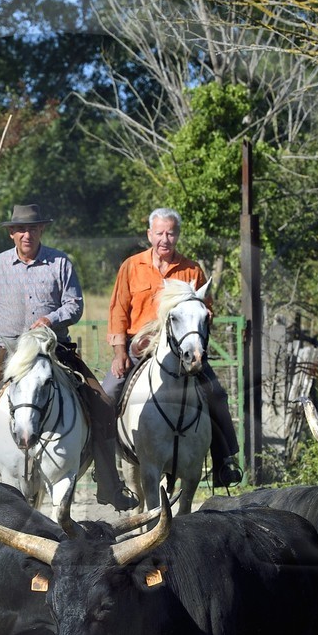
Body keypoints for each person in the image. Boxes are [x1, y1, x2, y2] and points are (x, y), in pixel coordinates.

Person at [0, 203, 138, 510]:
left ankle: (109, 486)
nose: (28, 234)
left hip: (55, 349)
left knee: (103, 405)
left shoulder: (59, 263)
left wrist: (51, 320)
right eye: (22, 229)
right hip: (10, 353)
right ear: (12, 233)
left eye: (34, 228)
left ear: (42, 230)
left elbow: (74, 305)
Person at [102, 207, 244, 488]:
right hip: (139, 347)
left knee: (216, 393)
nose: (165, 239)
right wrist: (120, 352)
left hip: (181, 350)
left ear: (177, 235)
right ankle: (105, 472)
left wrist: (196, 328)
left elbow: (207, 311)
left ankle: (224, 462)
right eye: (159, 233)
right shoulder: (132, 266)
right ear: (149, 235)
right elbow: (118, 309)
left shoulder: (192, 270)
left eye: (170, 233)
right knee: (107, 394)